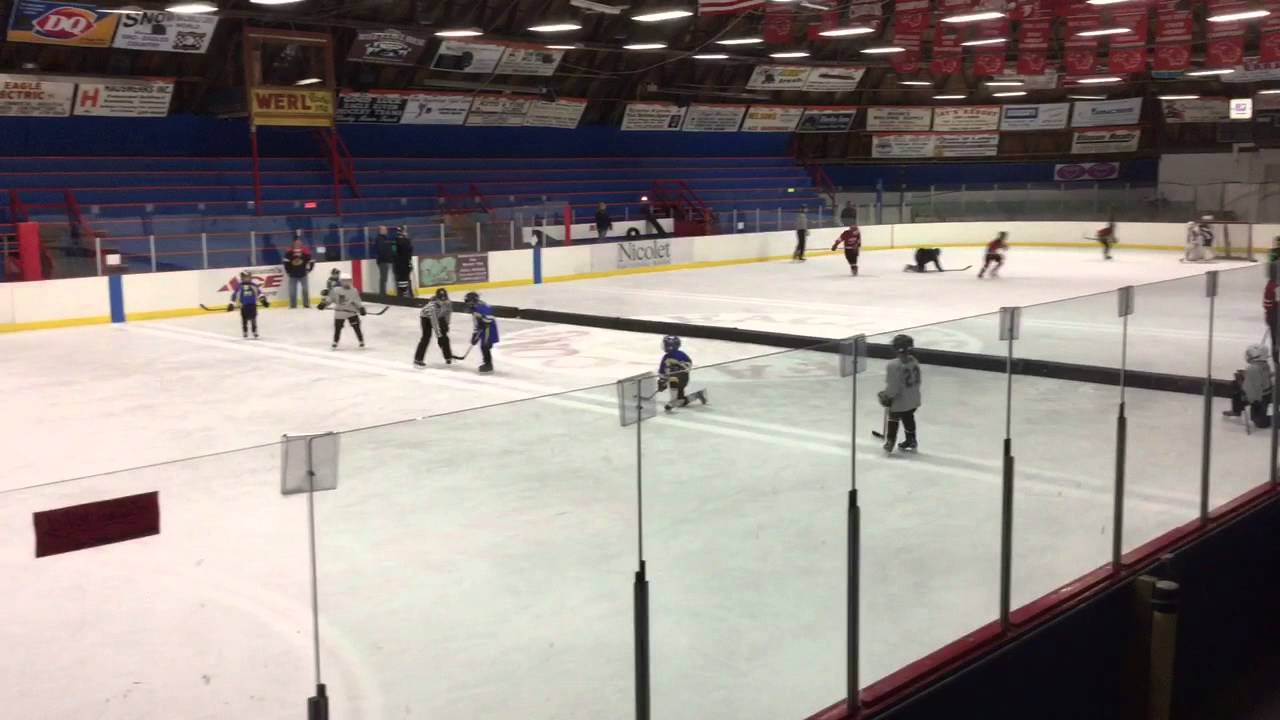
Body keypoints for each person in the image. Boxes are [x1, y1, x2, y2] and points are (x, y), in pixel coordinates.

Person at [879, 334, 922, 454]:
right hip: (914, 399)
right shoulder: (914, 361)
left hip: (900, 401)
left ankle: (890, 441)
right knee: (908, 417)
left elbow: (893, 387)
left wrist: (886, 396)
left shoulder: (893, 365)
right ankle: (911, 440)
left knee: (893, 418)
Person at [1223, 344, 1273, 428]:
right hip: (1263, 394)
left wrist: (1242, 385)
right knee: (1235, 385)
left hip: (1260, 397)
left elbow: (1251, 390)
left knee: (1260, 422)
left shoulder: (1252, 368)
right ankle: (1236, 410)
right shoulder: (1265, 364)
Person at [658, 335, 707, 412]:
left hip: (676, 380)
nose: (663, 346)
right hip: (684, 380)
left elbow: (662, 372)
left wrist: (662, 381)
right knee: (680, 402)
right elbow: (689, 365)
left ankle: (672, 401)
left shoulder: (667, 357)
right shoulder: (682, 354)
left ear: (669, 346)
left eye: (665, 344)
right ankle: (697, 395)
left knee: (673, 379)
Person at [318, 273, 366, 349]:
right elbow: (330, 299)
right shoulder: (336, 290)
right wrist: (323, 304)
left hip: (351, 311)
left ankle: (361, 341)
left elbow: (357, 301)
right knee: (338, 328)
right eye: (344, 281)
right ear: (341, 281)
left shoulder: (354, 291)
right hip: (340, 312)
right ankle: (335, 342)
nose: (347, 282)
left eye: (349, 281)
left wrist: (361, 308)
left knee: (356, 327)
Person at [414, 288, 454, 367]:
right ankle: (418, 359)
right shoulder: (432, 307)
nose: (443, 301)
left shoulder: (448, 303)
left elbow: (448, 313)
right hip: (426, 318)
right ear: (437, 298)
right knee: (426, 337)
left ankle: (448, 357)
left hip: (440, 317)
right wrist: (439, 336)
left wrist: (446, 324)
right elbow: (434, 322)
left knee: (445, 337)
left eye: (444, 298)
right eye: (440, 299)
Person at [226, 269, 268, 338]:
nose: (247, 279)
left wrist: (263, 301)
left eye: (248, 277)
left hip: (253, 305)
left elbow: (259, 293)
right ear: (242, 278)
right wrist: (231, 304)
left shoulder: (253, 285)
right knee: (244, 319)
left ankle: (254, 331)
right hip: (244, 306)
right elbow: (234, 295)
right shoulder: (240, 286)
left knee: (253, 319)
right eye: (245, 277)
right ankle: (245, 331)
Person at [464, 291, 498, 373]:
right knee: (484, 346)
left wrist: (484, 321)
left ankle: (488, 365)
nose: (467, 303)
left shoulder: (481, 307)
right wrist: (475, 335)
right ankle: (487, 363)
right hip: (484, 329)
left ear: (473, 300)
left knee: (485, 346)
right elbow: (476, 323)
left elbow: (490, 318)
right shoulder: (475, 308)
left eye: (468, 301)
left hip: (488, 329)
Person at [282, 237, 314, 308]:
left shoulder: (305, 251)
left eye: (299, 243)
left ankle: (306, 304)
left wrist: (309, 269)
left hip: (303, 275)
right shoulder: (289, 252)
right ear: (293, 243)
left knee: (305, 290)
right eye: (296, 243)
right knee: (292, 292)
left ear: (301, 243)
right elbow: (285, 262)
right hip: (293, 275)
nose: (297, 244)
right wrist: (288, 271)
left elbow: (311, 261)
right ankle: (293, 305)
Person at [393, 226, 414, 298]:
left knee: (399, 280)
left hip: (397, 265)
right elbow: (409, 252)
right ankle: (407, 294)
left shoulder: (394, 242)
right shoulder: (406, 241)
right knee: (406, 279)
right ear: (403, 232)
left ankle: (400, 295)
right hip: (405, 264)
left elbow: (394, 253)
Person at [374, 226, 395, 295]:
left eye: (386, 229)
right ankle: (382, 293)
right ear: (381, 231)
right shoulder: (379, 239)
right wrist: (388, 258)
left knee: (384, 278)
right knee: (383, 278)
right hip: (383, 261)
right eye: (385, 229)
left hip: (385, 260)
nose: (386, 231)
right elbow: (382, 250)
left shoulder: (384, 239)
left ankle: (383, 293)